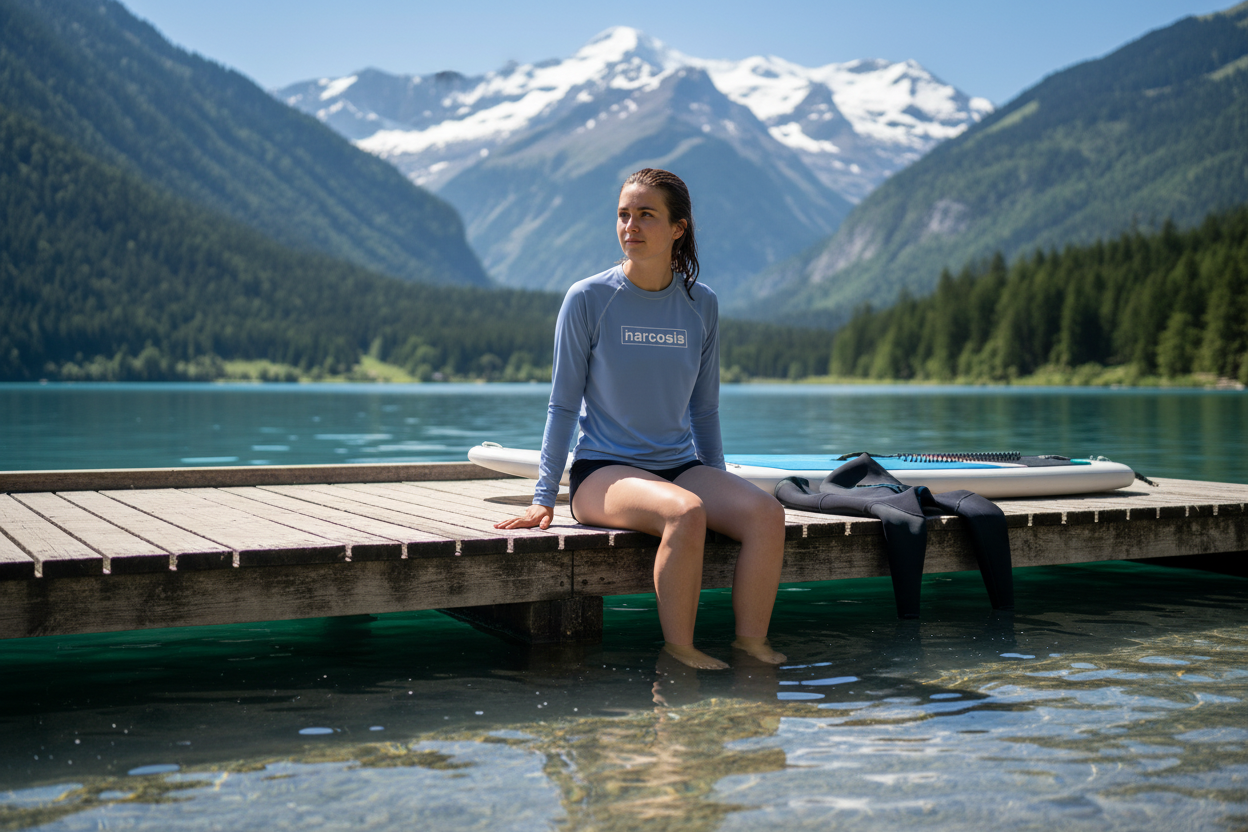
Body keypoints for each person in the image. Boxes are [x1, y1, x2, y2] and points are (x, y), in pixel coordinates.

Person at [495, 168, 787, 670]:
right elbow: (562, 406)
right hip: (602, 473)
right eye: (623, 215)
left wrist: (718, 481)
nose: (630, 226)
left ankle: (750, 645)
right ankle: (680, 652)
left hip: (679, 466)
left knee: (766, 514)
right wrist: (543, 497)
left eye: (646, 215)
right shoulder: (588, 298)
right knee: (685, 512)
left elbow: (704, 408)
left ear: (678, 228)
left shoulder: (701, 303)